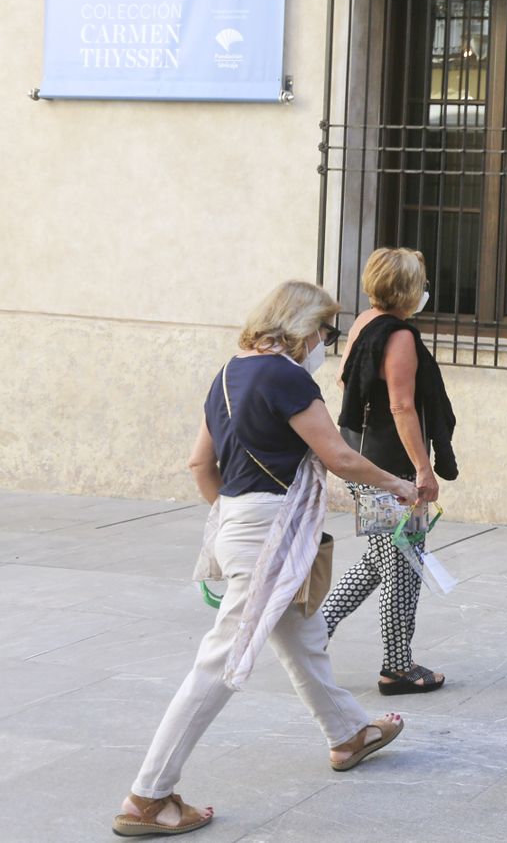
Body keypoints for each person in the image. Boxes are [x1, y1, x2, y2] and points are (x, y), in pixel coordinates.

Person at [113, 281, 415, 838]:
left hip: (239, 520)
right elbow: (340, 456)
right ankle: (148, 796)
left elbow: (201, 465)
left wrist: (238, 517)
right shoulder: (285, 375)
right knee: (220, 662)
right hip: (270, 531)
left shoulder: (227, 373)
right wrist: (400, 483)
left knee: (300, 633)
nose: (326, 342)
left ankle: (349, 733)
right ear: (303, 326)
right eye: (326, 331)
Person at [322, 247, 458, 696]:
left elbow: (346, 382)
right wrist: (423, 470)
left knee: (382, 557)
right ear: (408, 289)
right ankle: (397, 669)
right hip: (389, 468)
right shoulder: (398, 337)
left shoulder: (364, 322)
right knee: (402, 562)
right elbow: (401, 406)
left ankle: (316, 630)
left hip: (361, 456)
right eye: (420, 282)